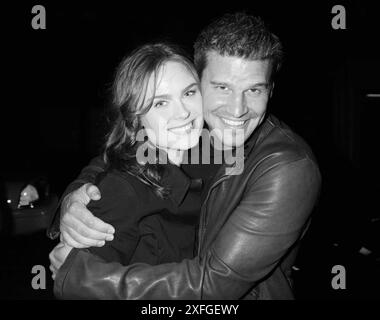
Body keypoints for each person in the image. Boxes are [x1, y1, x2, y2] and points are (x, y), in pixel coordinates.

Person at [49, 12, 321, 299]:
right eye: (222, 88)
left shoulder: (284, 167)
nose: (237, 109)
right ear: (202, 80)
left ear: (271, 90)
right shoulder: (196, 142)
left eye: (254, 89)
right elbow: (115, 164)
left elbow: (215, 283)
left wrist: (81, 277)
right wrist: (75, 196)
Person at [49, 43, 206, 277]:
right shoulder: (123, 188)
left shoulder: (210, 153)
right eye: (160, 103)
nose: (183, 112)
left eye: (189, 92)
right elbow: (80, 283)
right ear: (135, 118)